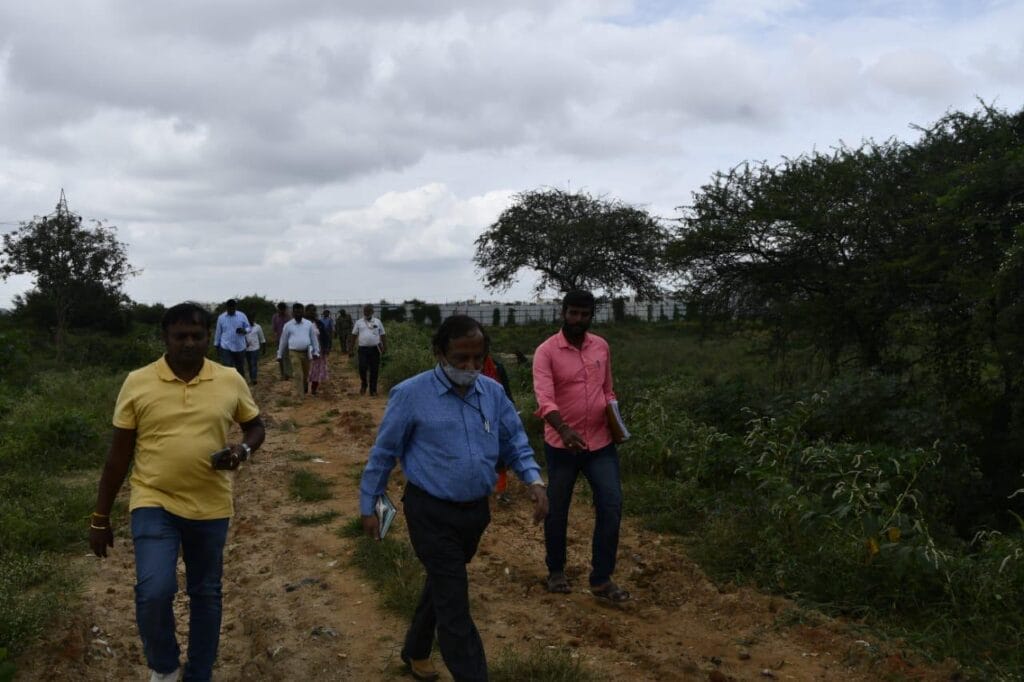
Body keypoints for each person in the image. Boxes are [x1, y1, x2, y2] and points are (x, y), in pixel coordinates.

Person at [359, 315, 549, 682]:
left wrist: (534, 482)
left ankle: (415, 649)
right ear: (440, 353)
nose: (470, 367)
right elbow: (384, 454)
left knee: (445, 582)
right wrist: (370, 504)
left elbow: (514, 441)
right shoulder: (411, 394)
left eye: (477, 358)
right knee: (454, 601)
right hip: (429, 511)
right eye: (460, 358)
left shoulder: (492, 393)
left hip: (476, 512)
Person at [88, 302, 266, 682]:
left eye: (197, 336)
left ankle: (199, 673)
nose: (189, 343)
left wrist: (242, 450)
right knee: (154, 591)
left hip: (212, 505)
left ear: (208, 338)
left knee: (206, 593)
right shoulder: (138, 381)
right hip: (154, 500)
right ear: (164, 338)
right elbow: (118, 458)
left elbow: (255, 427)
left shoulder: (230, 379)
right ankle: (165, 669)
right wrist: (100, 517)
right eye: (180, 336)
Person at [532, 290, 630, 602]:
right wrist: (564, 429)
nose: (577, 319)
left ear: (591, 315)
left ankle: (601, 579)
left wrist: (615, 418)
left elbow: (608, 389)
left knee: (611, 506)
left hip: (600, 444)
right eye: (572, 313)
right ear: (563, 313)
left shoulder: (601, 346)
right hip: (562, 447)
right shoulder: (546, 352)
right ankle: (556, 571)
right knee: (557, 510)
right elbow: (544, 399)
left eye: (584, 314)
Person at [482, 352, 514, 500]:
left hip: (495, 416)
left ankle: (501, 491)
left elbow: (506, 393)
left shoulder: (496, 367)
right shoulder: (462, 368)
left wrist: (510, 414)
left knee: (499, 453)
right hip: (473, 416)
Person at [277, 302, 320, 396]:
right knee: (298, 374)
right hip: (293, 352)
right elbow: (283, 341)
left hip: (306, 352)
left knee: (305, 374)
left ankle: (304, 386)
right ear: (293, 313)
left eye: (300, 312)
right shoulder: (288, 325)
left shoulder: (308, 324)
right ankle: (300, 396)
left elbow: (314, 339)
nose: (298, 314)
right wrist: (279, 354)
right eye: (296, 312)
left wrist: (316, 351)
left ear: (303, 312)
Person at [348, 303, 386, 396]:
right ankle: (364, 384)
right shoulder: (359, 322)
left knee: (374, 369)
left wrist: (385, 346)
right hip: (363, 349)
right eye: (365, 311)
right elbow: (353, 336)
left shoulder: (377, 322)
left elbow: (383, 334)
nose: (366, 313)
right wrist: (351, 349)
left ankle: (373, 390)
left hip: (375, 349)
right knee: (362, 367)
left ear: (372, 312)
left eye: (368, 311)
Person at [213, 298, 250, 377]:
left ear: (235, 307)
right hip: (226, 346)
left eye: (233, 308)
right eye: (229, 308)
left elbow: (248, 328)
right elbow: (218, 332)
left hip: (240, 346)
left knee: (240, 367)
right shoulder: (221, 317)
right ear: (227, 308)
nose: (231, 310)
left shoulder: (242, 315)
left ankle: (241, 384)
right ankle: (229, 385)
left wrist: (244, 330)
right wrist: (216, 344)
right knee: (227, 367)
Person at [305, 303, 329, 396]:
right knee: (305, 370)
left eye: (313, 310)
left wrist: (326, 348)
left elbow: (325, 336)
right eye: (309, 310)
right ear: (305, 311)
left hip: (317, 350)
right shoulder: (301, 323)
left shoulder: (319, 323)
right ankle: (305, 386)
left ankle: (314, 389)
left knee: (316, 371)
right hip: (304, 350)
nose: (312, 312)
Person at [270, 301, 292, 381]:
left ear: (285, 309)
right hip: (279, 340)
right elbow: (274, 329)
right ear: (278, 309)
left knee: (288, 357)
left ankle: (288, 373)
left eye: (283, 309)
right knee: (280, 358)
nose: (281, 311)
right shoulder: (275, 317)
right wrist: (274, 337)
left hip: (289, 340)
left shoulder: (289, 317)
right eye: (280, 309)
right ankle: (283, 373)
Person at [244, 312, 266, 385]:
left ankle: (254, 379)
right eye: (249, 318)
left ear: (254, 319)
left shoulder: (258, 327)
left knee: (253, 364)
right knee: (249, 364)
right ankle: (251, 377)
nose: (250, 320)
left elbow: (262, 338)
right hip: (246, 349)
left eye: (252, 318)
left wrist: (264, 348)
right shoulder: (244, 327)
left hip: (255, 349)